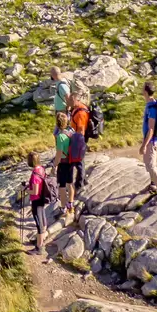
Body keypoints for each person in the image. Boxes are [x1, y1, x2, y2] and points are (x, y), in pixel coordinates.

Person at [62, 90, 90, 219]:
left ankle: (80, 183)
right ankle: (81, 180)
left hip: (79, 141)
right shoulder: (77, 109)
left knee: (79, 162)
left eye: (71, 100)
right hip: (77, 139)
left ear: (76, 100)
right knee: (79, 161)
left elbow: (81, 130)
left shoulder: (80, 113)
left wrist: (76, 143)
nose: (69, 102)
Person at [24, 151, 52, 249]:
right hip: (42, 197)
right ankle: (39, 240)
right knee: (42, 219)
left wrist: (27, 190)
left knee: (39, 222)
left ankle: (39, 247)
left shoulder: (35, 175)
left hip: (37, 199)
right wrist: (29, 185)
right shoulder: (41, 169)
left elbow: (35, 191)